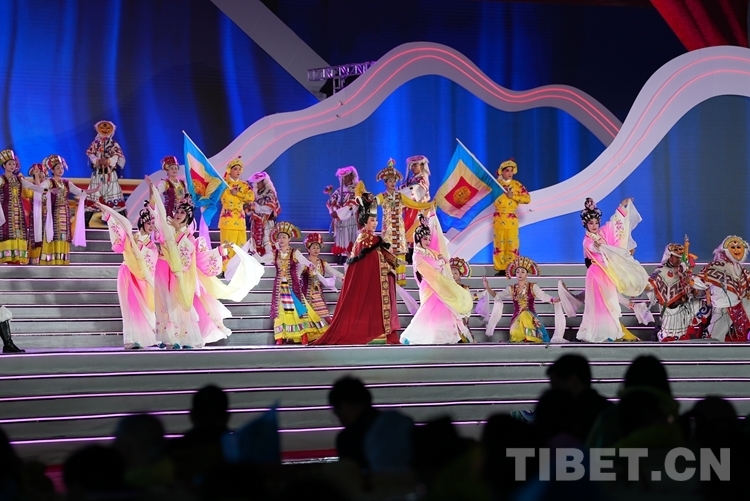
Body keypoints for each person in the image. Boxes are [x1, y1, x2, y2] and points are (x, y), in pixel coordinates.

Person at [148, 179, 263, 348]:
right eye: (177, 211)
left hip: (184, 276)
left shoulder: (191, 239)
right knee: (166, 305)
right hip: (164, 272)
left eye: (183, 212)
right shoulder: (167, 230)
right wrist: (153, 193)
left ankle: (185, 339)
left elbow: (199, 257)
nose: (178, 214)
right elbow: (155, 216)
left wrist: (219, 251)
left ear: (188, 217)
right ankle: (169, 338)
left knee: (181, 305)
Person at [314, 185, 401, 345]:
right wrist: (387, 267)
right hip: (370, 283)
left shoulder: (370, 239)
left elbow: (378, 259)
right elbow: (371, 263)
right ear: (364, 221)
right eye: (372, 220)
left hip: (373, 283)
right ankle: (374, 332)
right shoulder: (364, 240)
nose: (375, 223)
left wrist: (390, 264)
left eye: (376, 220)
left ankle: (378, 332)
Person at [576, 197, 649, 342]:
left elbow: (613, 224)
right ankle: (598, 332)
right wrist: (595, 246)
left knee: (610, 301)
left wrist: (622, 206)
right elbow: (591, 247)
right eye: (591, 223)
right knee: (600, 303)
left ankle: (610, 332)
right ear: (585, 224)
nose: (594, 225)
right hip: (596, 274)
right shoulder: (587, 240)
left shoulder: (602, 233)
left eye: (596, 222)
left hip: (607, 272)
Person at [400, 215, 473, 345]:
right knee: (428, 312)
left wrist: (440, 259)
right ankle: (416, 336)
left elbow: (442, 259)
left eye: (429, 239)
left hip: (437, 283)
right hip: (430, 285)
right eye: (425, 239)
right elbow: (429, 271)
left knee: (443, 310)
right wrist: (439, 264)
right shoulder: (417, 255)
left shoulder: (428, 251)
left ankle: (443, 338)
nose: (428, 242)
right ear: (418, 238)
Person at [99, 202, 158, 349]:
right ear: (142, 223)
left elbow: (151, 262)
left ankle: (146, 337)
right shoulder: (131, 236)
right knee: (128, 308)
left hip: (141, 278)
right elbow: (119, 233)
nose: (151, 226)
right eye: (149, 223)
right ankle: (130, 339)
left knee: (143, 308)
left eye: (153, 223)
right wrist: (109, 217)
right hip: (127, 273)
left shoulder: (152, 245)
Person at [256, 221, 325, 345]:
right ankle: (280, 336)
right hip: (280, 288)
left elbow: (305, 261)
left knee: (298, 310)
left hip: (293, 287)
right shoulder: (275, 253)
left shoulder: (294, 252)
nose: (281, 239)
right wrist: (252, 253)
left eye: (284, 237)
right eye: (279, 237)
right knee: (280, 312)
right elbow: (261, 259)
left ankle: (303, 334)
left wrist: (311, 265)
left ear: (289, 239)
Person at [375, 158, 434, 286]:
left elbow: (415, 202)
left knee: (401, 249)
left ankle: (400, 280)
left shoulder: (401, 195)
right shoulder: (382, 196)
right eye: (390, 181)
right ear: (385, 182)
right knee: (388, 250)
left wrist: (429, 205)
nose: (393, 183)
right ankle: (387, 279)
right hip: (388, 228)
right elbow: (373, 202)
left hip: (401, 226)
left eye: (394, 181)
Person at [481, 256, 561, 343]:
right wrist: (487, 287)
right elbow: (498, 296)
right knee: (515, 333)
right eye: (517, 272)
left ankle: (531, 337)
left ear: (527, 274)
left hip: (530, 317)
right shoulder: (511, 288)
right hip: (516, 318)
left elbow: (543, 296)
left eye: (523, 272)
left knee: (525, 314)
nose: (520, 274)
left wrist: (553, 299)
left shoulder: (533, 287)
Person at [35, 155, 98, 265]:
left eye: (61, 167)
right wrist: (48, 189)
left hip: (65, 214)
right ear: (52, 170)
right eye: (57, 168)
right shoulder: (49, 182)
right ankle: (51, 260)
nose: (60, 170)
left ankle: (62, 260)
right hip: (54, 214)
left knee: (63, 235)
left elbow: (80, 191)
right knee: (54, 235)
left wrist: (94, 190)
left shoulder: (67, 183)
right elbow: (39, 189)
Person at [646, 240, 711, 342]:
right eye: (677, 257)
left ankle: (705, 334)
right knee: (670, 339)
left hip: (686, 307)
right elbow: (649, 285)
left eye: (681, 257)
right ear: (670, 256)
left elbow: (691, 287)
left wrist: (694, 289)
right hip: (671, 312)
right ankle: (659, 336)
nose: (679, 260)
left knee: (707, 308)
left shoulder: (682, 268)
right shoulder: (660, 271)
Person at [546, 354, 612, 442]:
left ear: (573, 381)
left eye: (556, 386)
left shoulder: (564, 415)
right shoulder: (609, 410)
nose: (553, 392)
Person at [702, 235, 750, 342]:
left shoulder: (740, 269)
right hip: (722, 308)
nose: (736, 250)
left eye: (739, 247)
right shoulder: (716, 265)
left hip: (739, 307)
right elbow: (701, 280)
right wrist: (691, 281)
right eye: (733, 247)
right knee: (714, 338)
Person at [328, 377, 380, 470]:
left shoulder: (348, 438)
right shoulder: (399, 424)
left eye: (335, 410)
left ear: (344, 406)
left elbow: (351, 474)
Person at [492, 159, 531, 276]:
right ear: (501, 172)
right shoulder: (495, 185)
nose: (510, 173)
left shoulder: (517, 185)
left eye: (511, 171)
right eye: (507, 171)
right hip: (499, 218)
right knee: (499, 244)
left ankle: (512, 268)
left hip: (512, 219)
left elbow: (527, 199)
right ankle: (501, 268)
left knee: (512, 244)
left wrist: (512, 196)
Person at [85, 120, 126, 225]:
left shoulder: (114, 144)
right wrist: (97, 160)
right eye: (102, 128)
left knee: (115, 198)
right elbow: (91, 155)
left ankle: (125, 225)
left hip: (110, 175)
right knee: (93, 198)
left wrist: (108, 161)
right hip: (97, 175)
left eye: (108, 128)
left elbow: (117, 156)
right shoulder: (95, 144)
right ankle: (84, 226)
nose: (105, 130)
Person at [219, 157, 254, 272]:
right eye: (235, 169)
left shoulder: (244, 185)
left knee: (240, 247)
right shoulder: (223, 184)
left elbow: (251, 197)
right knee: (227, 247)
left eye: (239, 169)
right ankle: (226, 270)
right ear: (229, 170)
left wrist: (237, 193)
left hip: (240, 221)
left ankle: (238, 270)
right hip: (227, 221)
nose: (238, 171)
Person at [301, 232, 343, 324]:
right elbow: (296, 275)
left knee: (323, 315)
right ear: (308, 249)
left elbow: (333, 271)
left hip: (318, 293)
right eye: (313, 247)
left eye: (318, 247)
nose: (316, 249)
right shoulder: (304, 263)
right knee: (308, 318)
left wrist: (343, 277)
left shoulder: (322, 263)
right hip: (306, 294)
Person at [0, 149, 30, 265]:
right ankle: (8, 257)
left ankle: (18, 257)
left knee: (19, 231)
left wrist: (24, 181)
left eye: (14, 163)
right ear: (4, 165)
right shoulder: (2, 179)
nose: (12, 166)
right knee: (8, 231)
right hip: (6, 210)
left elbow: (26, 194)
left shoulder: (18, 179)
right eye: (9, 164)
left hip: (18, 210)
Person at [325, 166, 359, 264]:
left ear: (352, 176)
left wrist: (339, 213)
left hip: (351, 219)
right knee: (342, 239)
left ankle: (351, 256)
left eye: (346, 176)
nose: (344, 179)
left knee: (351, 237)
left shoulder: (356, 190)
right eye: (342, 177)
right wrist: (334, 210)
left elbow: (354, 205)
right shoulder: (339, 190)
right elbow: (330, 203)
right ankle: (342, 256)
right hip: (340, 220)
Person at [401, 155, 431, 264]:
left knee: (416, 230)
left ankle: (416, 254)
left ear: (421, 166)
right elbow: (403, 189)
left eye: (415, 165)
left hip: (418, 209)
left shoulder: (422, 179)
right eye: (412, 165)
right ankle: (408, 254)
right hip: (410, 209)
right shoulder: (411, 179)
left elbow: (417, 192)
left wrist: (407, 195)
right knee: (408, 229)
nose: (412, 167)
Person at [246, 171, 280, 257]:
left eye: (259, 182)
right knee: (255, 242)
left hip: (267, 222)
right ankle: (258, 258)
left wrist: (255, 206)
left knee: (267, 241)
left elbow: (268, 208)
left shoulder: (270, 193)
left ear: (264, 182)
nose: (256, 184)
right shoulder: (255, 193)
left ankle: (270, 258)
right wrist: (250, 208)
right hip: (256, 223)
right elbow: (251, 210)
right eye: (256, 182)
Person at [25, 163, 48, 265]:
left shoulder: (49, 188)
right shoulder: (32, 188)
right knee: (35, 237)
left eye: (43, 176)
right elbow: (32, 193)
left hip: (47, 217)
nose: (42, 179)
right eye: (39, 176)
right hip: (36, 218)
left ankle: (44, 259)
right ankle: (34, 259)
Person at [157, 155, 187, 219]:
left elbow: (188, 195)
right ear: (167, 170)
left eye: (176, 168)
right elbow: (156, 192)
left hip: (181, 212)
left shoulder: (182, 183)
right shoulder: (165, 183)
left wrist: (186, 200)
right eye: (172, 168)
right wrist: (152, 187)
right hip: (169, 212)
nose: (174, 170)